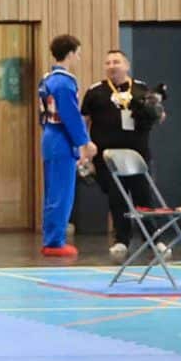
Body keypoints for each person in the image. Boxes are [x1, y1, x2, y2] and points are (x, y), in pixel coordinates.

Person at [81, 48, 166, 256]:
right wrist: (85, 149)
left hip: (138, 155)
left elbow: (161, 117)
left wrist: (153, 111)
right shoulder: (95, 91)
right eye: (108, 63)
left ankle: (154, 239)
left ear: (126, 65)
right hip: (108, 157)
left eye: (116, 62)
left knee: (144, 198)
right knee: (116, 199)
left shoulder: (141, 89)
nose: (112, 66)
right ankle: (121, 241)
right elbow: (84, 121)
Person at [37, 33, 96, 258]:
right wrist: (84, 141)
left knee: (53, 191)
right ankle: (55, 241)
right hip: (61, 138)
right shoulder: (64, 82)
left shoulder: (47, 79)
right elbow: (70, 115)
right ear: (70, 54)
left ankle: (52, 237)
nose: (78, 58)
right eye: (78, 54)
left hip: (50, 135)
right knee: (62, 192)